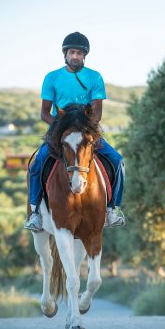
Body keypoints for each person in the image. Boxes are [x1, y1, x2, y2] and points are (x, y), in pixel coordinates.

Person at [24, 31, 125, 231]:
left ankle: (112, 209)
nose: (75, 56)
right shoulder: (52, 78)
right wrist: (61, 130)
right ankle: (35, 213)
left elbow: (96, 113)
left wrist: (85, 130)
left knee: (118, 161)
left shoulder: (95, 77)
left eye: (79, 53)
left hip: (87, 133)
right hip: (60, 133)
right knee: (36, 164)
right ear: (65, 54)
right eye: (72, 52)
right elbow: (44, 112)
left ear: (84, 56)